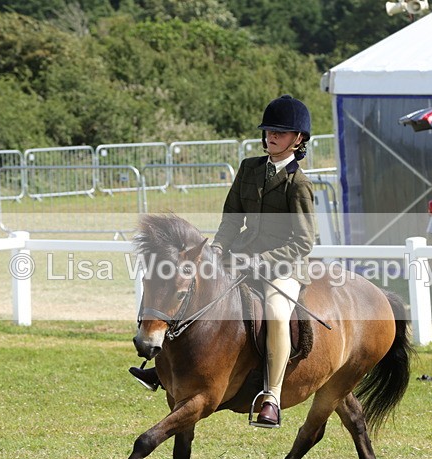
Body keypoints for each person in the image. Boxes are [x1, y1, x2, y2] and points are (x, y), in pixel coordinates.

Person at [130, 95, 317, 428]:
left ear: (298, 139)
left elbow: (303, 241)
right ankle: (164, 372)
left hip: (282, 266)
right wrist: (218, 251)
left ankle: (271, 396)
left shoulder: (298, 184)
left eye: (281, 132)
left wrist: (259, 261)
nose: (272, 136)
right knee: (188, 290)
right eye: (269, 130)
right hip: (238, 256)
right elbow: (232, 219)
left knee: (275, 313)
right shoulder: (249, 169)